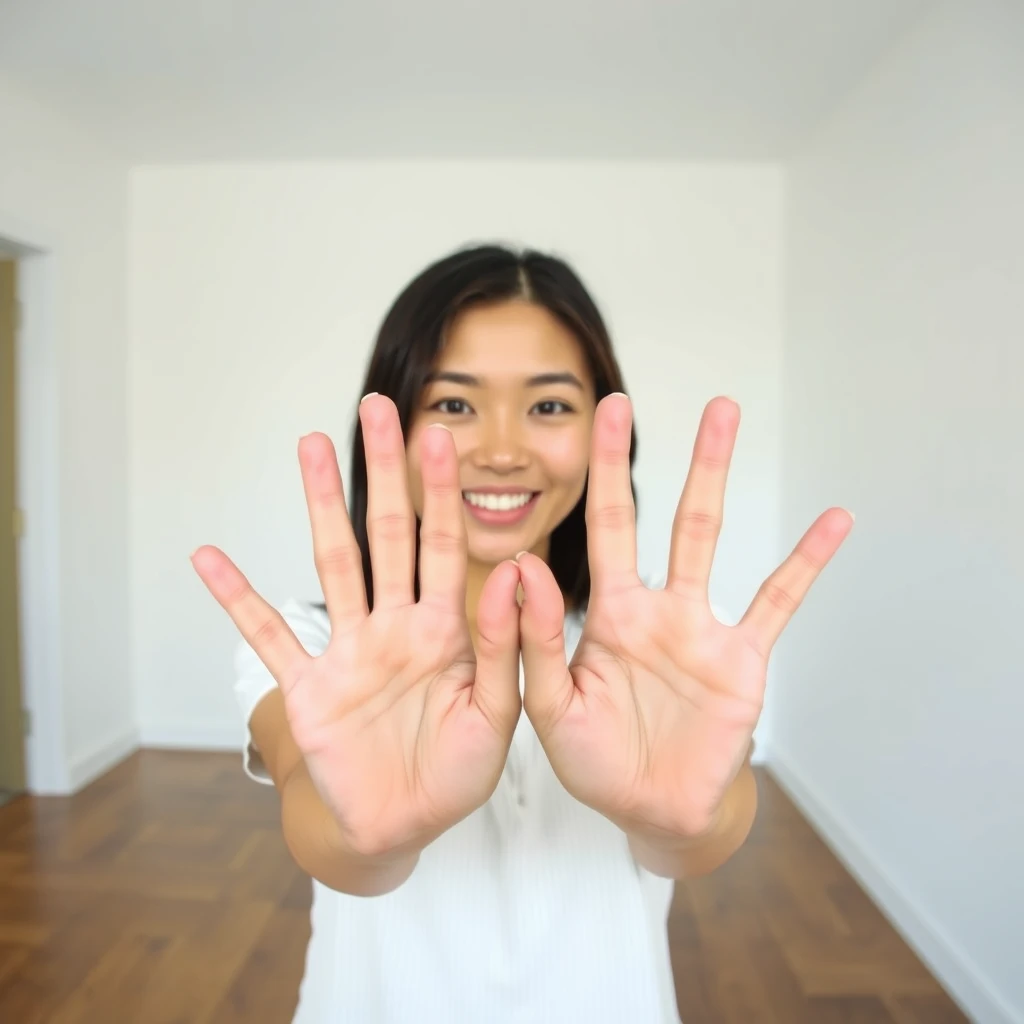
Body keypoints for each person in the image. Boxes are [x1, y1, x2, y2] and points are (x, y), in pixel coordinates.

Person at [190, 244, 853, 1023]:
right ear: (393, 427)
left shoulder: (651, 658)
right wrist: (368, 840)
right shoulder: (313, 652)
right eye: (453, 404)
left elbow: (691, 838)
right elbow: (325, 829)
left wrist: (684, 822)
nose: (502, 451)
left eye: (548, 406)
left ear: (607, 434)